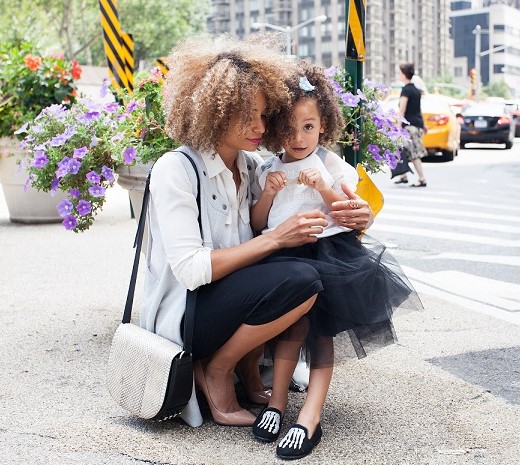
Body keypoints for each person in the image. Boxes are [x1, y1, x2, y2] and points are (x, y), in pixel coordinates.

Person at [138, 35, 375, 429]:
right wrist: (277, 238)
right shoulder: (175, 169)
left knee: (304, 276)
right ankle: (216, 369)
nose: (259, 127)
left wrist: (360, 214)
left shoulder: (251, 168)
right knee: (300, 277)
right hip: (188, 312)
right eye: (247, 115)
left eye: (265, 116)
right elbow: (192, 270)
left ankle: (249, 374)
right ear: (214, 112)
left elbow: (318, 183)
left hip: (231, 302)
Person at [250, 61, 423, 460]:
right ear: (277, 129)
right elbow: (259, 222)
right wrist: (269, 196)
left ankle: (310, 414)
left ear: (323, 125)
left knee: (320, 332)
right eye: (289, 128)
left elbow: (351, 210)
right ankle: (277, 404)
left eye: (308, 127)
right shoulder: (268, 168)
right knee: (288, 330)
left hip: (328, 255)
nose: (298, 137)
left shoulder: (330, 164)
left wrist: (324, 188)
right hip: (282, 254)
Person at [394, 63, 428, 187]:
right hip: (417, 125)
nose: (399, 75)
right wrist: (424, 125)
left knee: (413, 153)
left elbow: (402, 111)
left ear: (404, 74)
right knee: (402, 150)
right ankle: (403, 176)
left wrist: (398, 127)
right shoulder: (416, 90)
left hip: (409, 127)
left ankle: (422, 178)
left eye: (400, 73)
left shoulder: (406, 90)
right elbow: (419, 110)